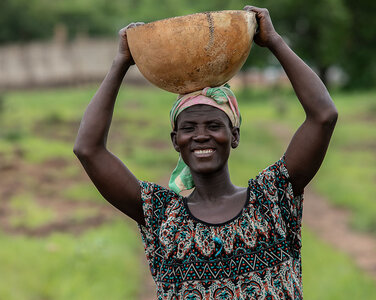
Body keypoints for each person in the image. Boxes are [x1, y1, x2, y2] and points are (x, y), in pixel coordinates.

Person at [73, 6, 338, 299]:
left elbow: (323, 116)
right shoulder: (163, 217)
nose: (200, 136)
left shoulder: (271, 198)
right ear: (176, 141)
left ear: (234, 135)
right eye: (188, 128)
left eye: (213, 125)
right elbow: (88, 149)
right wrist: (121, 62)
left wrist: (274, 40)